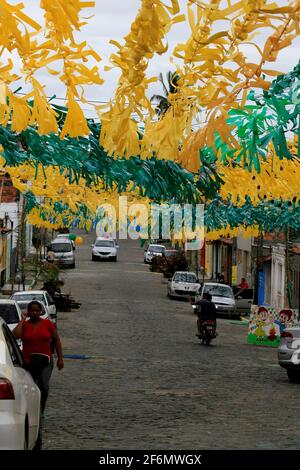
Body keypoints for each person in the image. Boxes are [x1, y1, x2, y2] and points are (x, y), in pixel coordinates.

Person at [13, 300, 64, 415]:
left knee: (43, 386)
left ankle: (41, 409)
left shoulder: (48, 324)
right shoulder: (24, 325)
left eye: (37, 310)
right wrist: (22, 320)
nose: (34, 312)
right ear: (28, 311)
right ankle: (29, 409)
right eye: (32, 310)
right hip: (28, 362)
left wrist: (60, 358)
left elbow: (56, 340)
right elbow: (14, 335)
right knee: (29, 388)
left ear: (40, 311)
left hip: (45, 361)